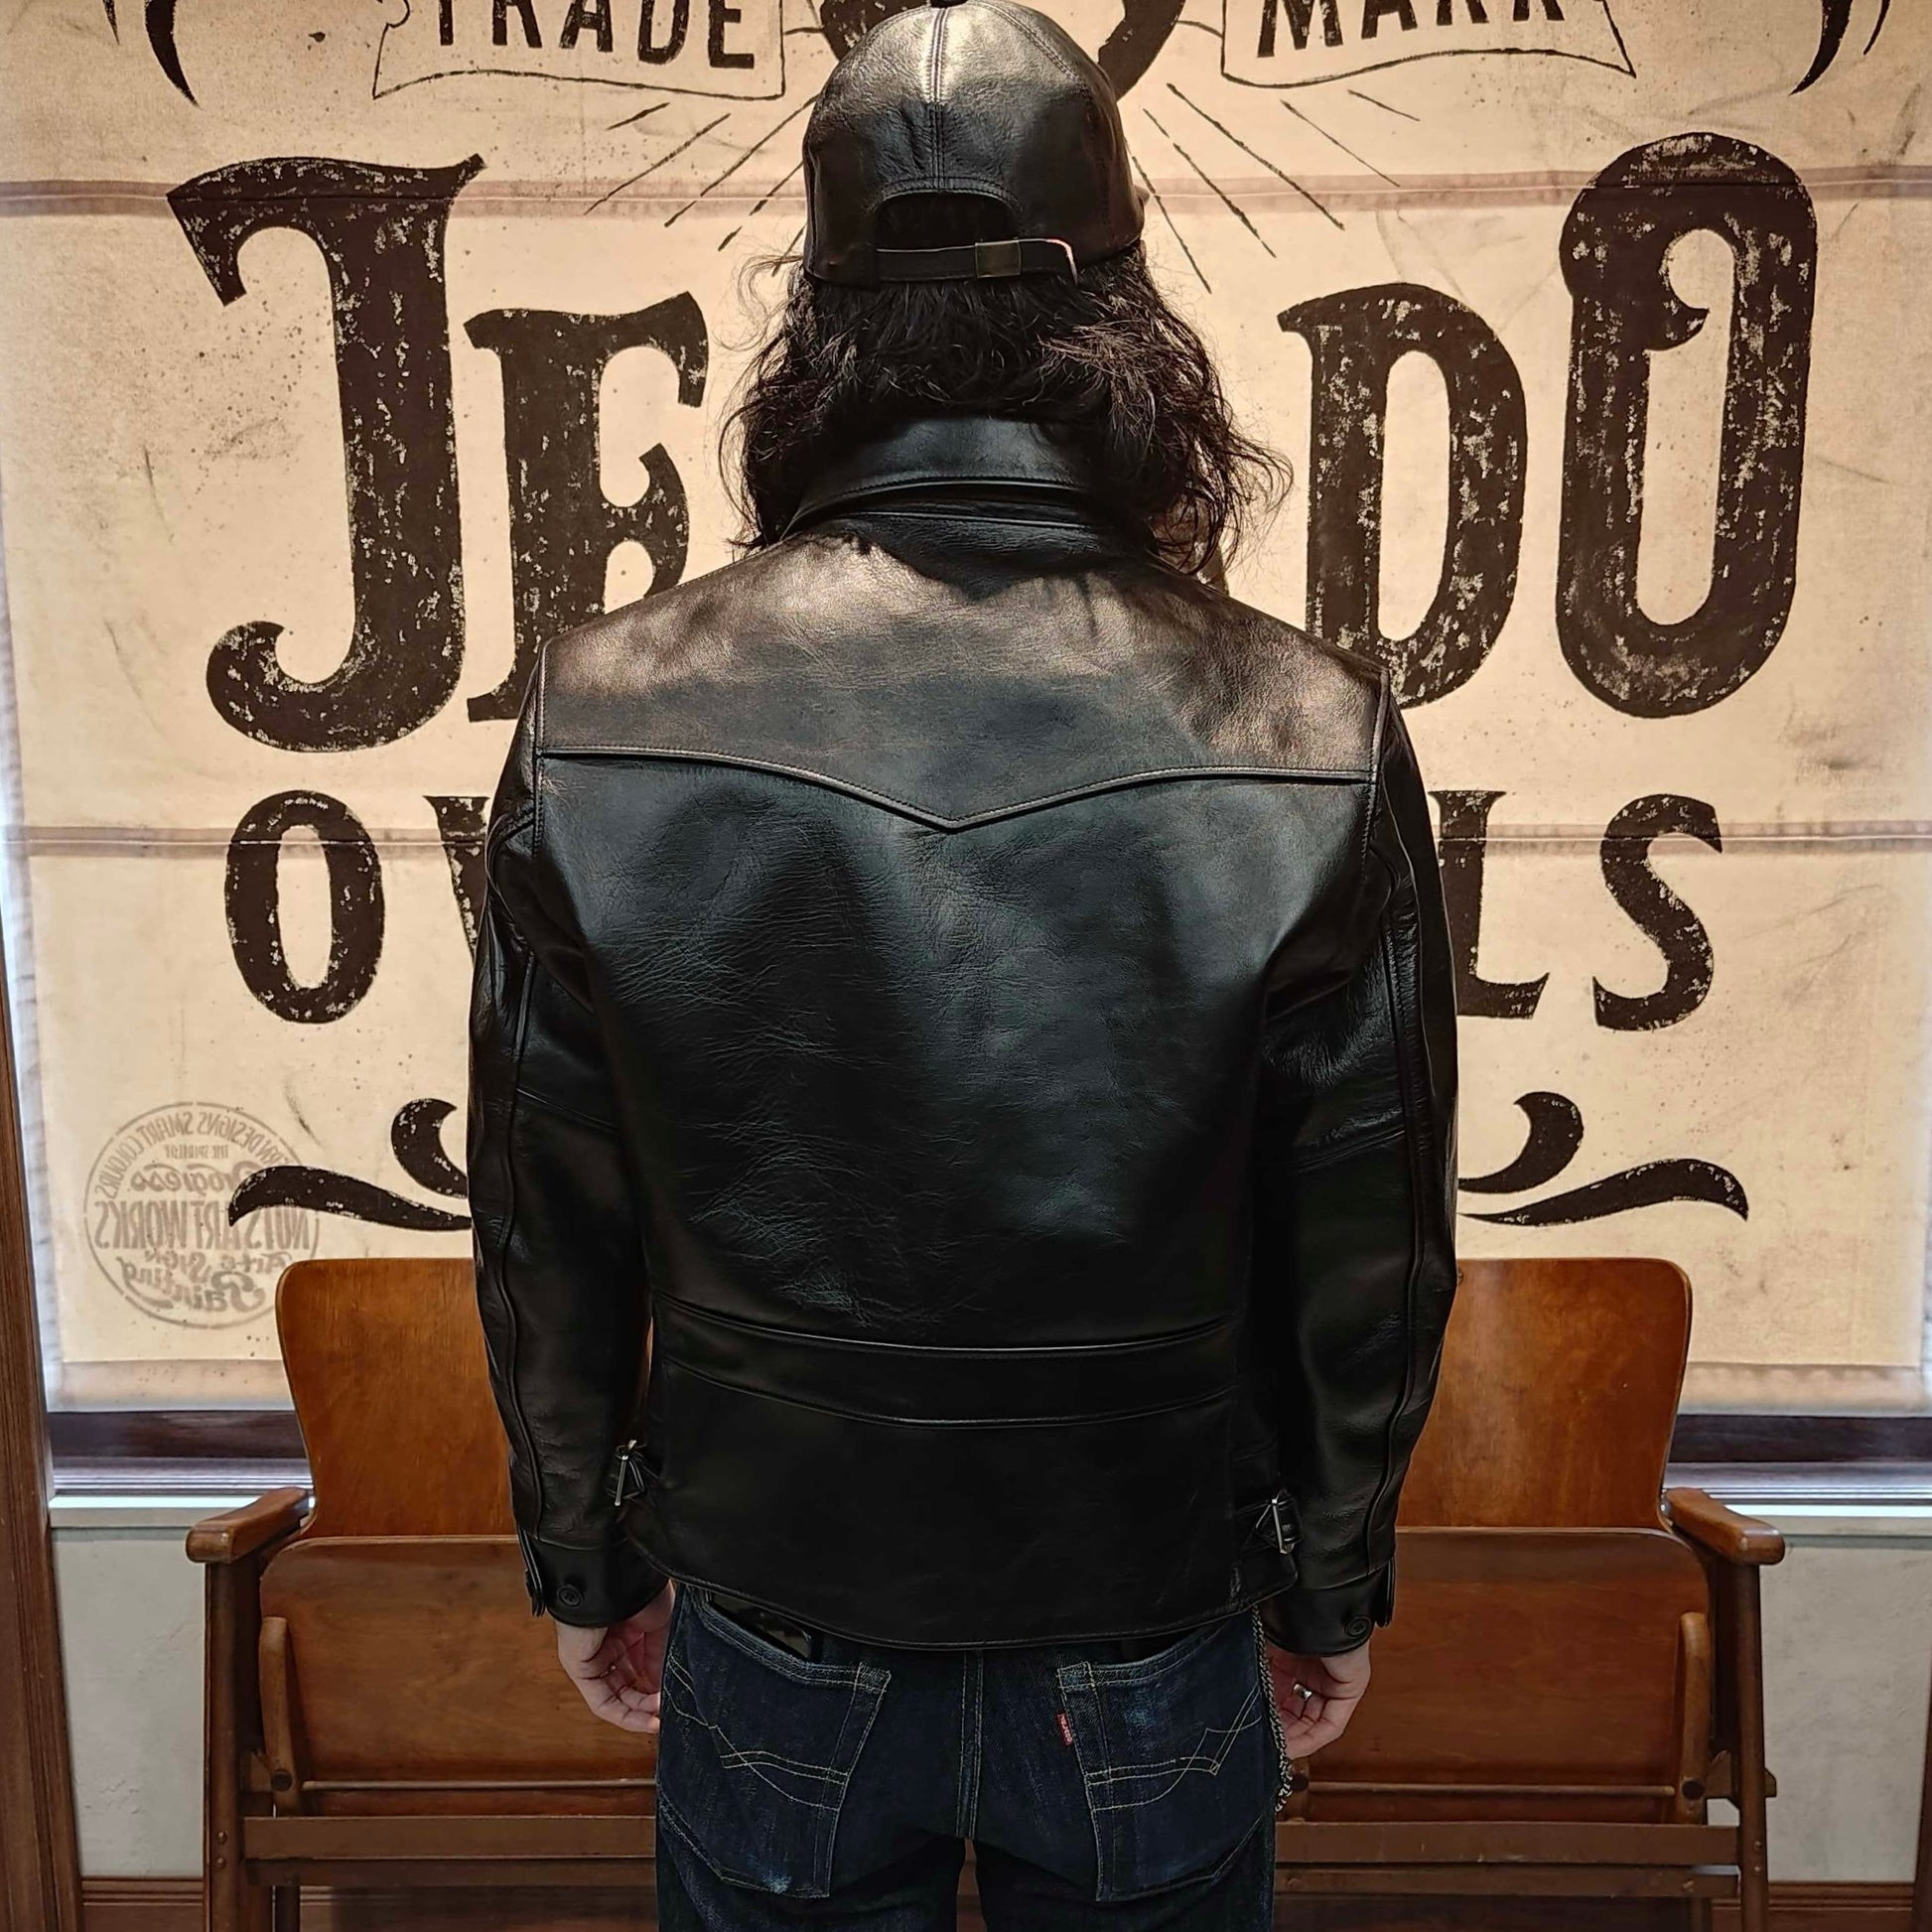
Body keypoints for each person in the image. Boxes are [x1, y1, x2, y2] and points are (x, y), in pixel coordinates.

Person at [466, 0, 1458, 1922]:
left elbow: (539, 1212)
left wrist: (585, 1554)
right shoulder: (1305, 724)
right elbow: (1370, 1242)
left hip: (777, 1601)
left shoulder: (603, 711)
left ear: (817, 321)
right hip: (1150, 1604)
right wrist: (1329, 1583)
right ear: (1124, 317)